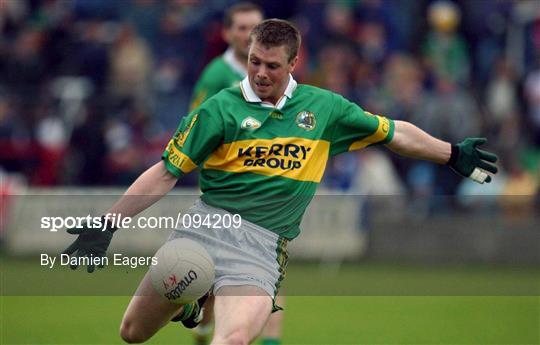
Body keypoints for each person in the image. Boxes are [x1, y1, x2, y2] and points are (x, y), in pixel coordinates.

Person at [62, 19, 498, 345]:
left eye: (272, 65)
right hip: (201, 232)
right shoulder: (219, 109)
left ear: (294, 63)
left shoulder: (323, 109)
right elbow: (164, 172)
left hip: (259, 250)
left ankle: (203, 302)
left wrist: (452, 154)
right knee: (132, 333)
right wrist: (105, 226)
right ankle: (198, 299)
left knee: (231, 340)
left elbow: (394, 131)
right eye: (254, 62)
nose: (260, 73)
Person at [188, 4, 285, 345]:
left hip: (267, 193)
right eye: (242, 28)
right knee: (221, 277)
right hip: (227, 195)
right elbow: (193, 130)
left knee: (270, 271)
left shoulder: (274, 76)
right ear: (228, 34)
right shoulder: (216, 76)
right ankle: (202, 319)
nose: (249, 34)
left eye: (255, 28)